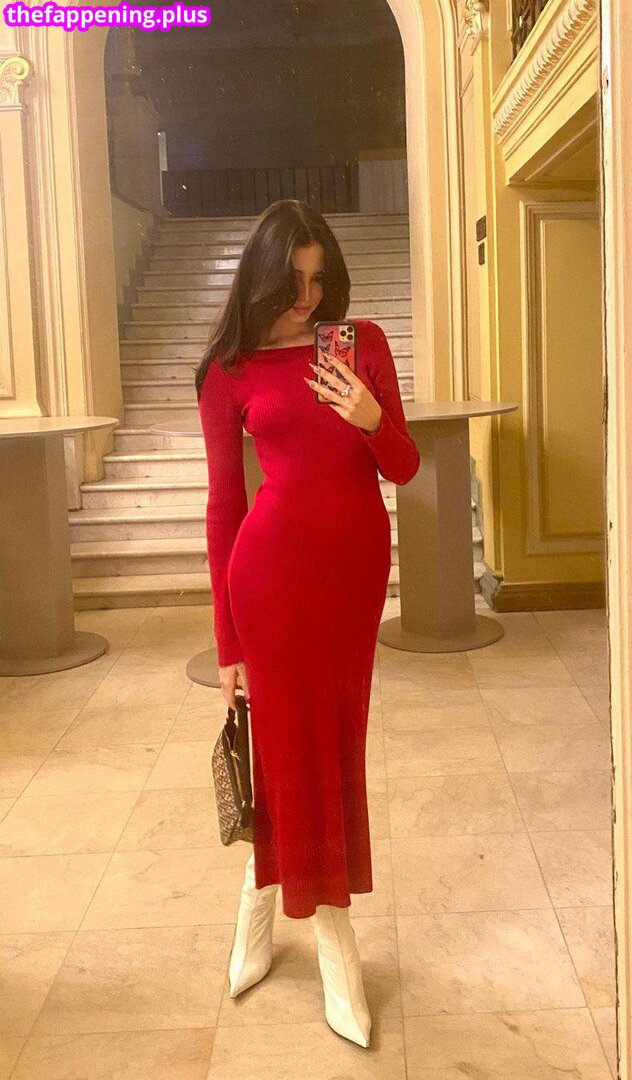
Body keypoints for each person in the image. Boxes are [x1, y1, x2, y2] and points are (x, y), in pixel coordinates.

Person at [195, 199, 420, 1047]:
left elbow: (404, 466)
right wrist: (227, 643)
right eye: (292, 281)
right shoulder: (230, 371)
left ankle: (259, 899)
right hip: (271, 583)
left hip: (353, 578)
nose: (307, 298)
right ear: (260, 277)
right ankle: (330, 937)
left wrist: (370, 417)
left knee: (334, 743)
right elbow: (224, 508)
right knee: (288, 750)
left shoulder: (364, 346)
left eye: (320, 280)